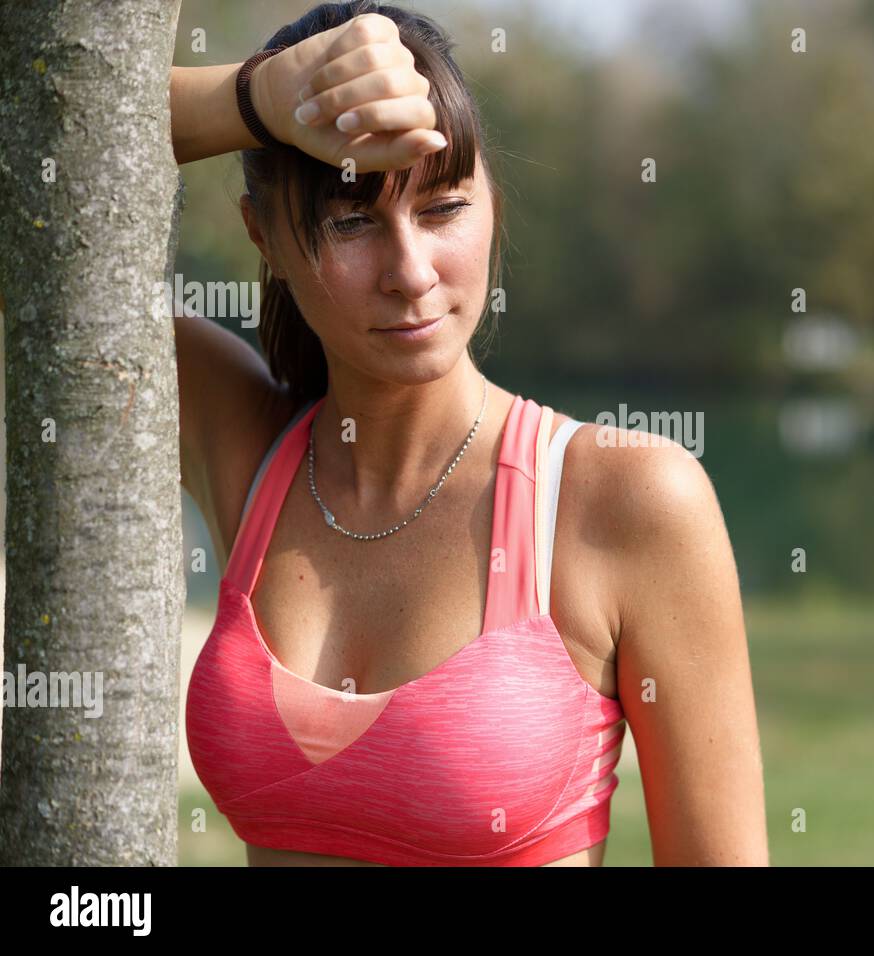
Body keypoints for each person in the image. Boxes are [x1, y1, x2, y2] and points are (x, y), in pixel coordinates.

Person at [169, 1, 767, 866]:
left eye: (444, 207)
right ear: (263, 235)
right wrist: (252, 101)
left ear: (492, 203)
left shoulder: (626, 499)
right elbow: (32, 226)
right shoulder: (248, 450)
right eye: (352, 222)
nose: (412, 274)